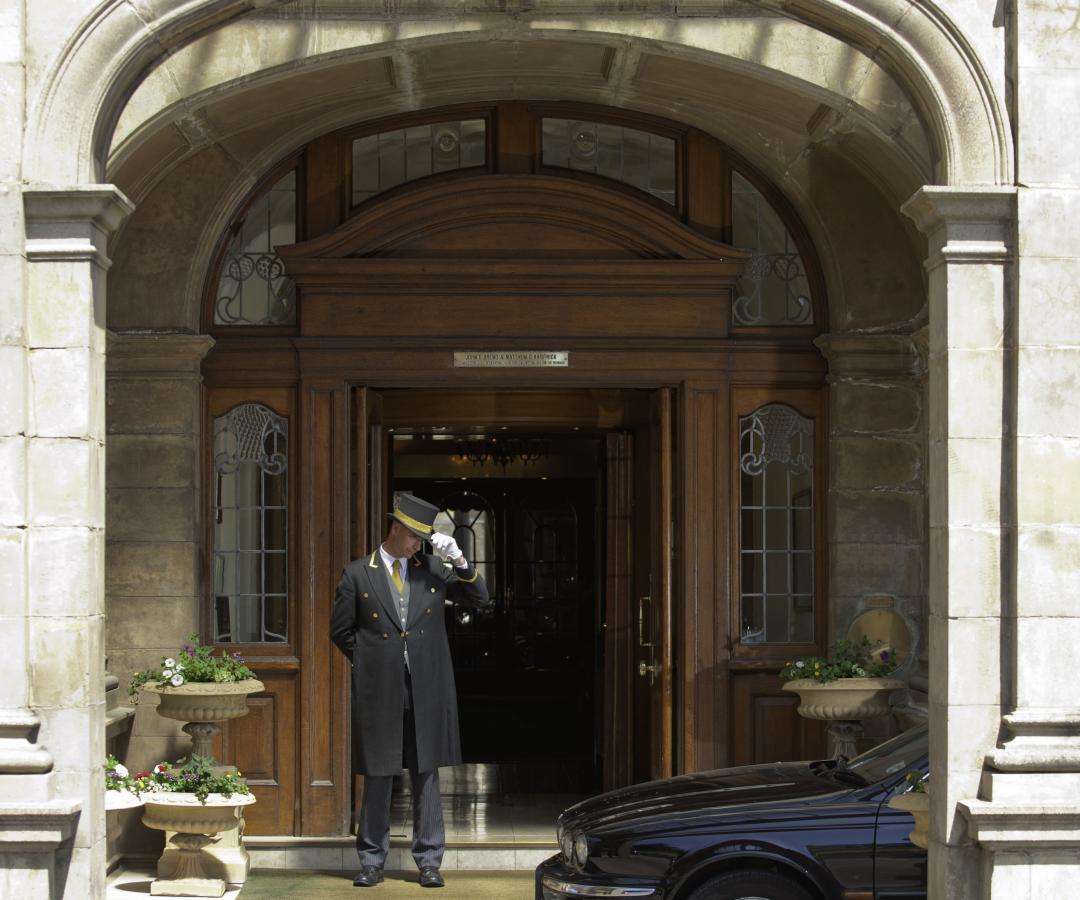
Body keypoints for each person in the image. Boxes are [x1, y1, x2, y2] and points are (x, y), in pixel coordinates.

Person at [330, 492, 491, 888]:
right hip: (380, 687)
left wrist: (459, 560)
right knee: (379, 771)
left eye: (424, 537)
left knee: (426, 771)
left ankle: (429, 860)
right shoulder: (357, 573)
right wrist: (372, 661)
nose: (419, 543)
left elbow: (481, 599)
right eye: (415, 536)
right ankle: (371, 860)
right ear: (395, 528)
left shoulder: (434, 569)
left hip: (428, 685)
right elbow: (340, 632)